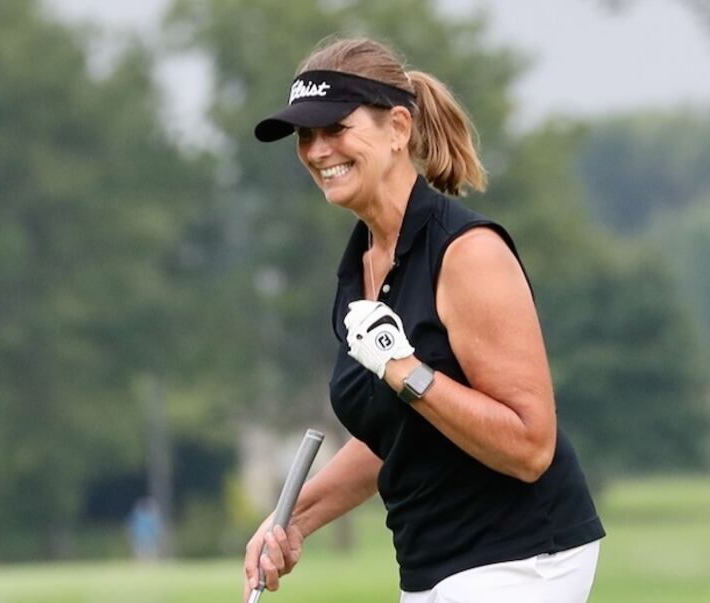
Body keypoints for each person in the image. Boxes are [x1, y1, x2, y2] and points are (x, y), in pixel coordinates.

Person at [244, 36, 605, 603]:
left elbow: (531, 447)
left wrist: (407, 370)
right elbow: (398, 431)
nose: (317, 151)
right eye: (305, 136)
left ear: (398, 128)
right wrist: (293, 518)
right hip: (431, 565)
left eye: (335, 129)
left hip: (523, 556)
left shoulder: (467, 253)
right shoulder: (359, 267)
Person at [127, 496, 163, 561]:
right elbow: (131, 525)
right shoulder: (139, 515)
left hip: (149, 536)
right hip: (141, 536)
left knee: (151, 551)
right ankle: (142, 563)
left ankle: (151, 562)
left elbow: (156, 526)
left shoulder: (150, 516)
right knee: (142, 551)